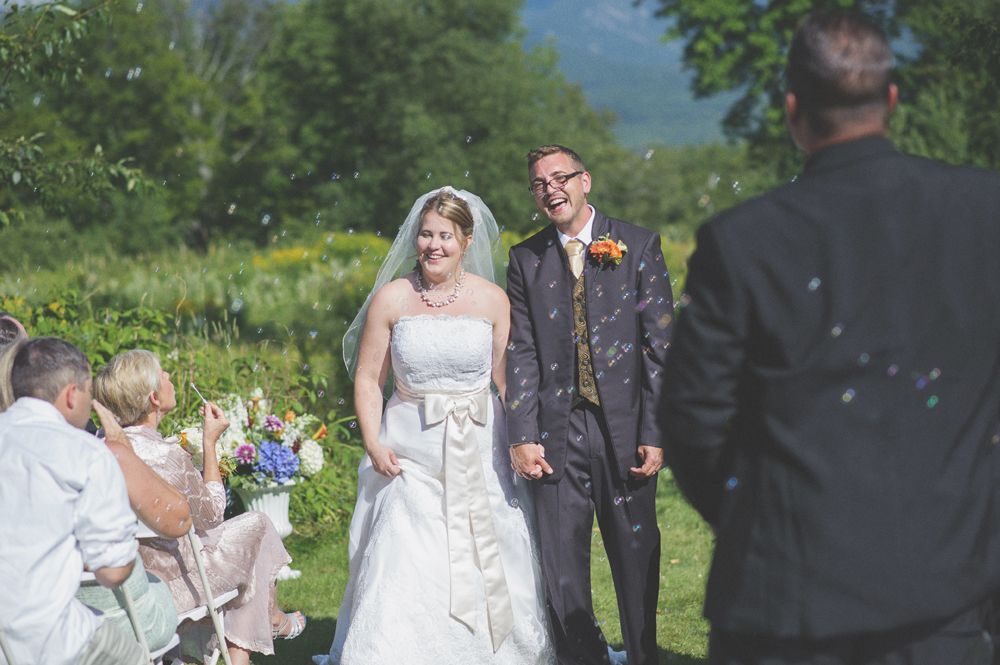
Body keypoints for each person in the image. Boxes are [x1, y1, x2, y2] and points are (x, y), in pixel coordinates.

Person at [661, 10, 1000, 665]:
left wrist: (763, 521)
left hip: (787, 607)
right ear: (892, 99)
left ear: (792, 109)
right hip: (947, 597)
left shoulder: (743, 240)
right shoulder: (984, 213)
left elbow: (693, 423)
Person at [313, 187, 554, 665]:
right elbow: (367, 377)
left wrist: (526, 438)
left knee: (488, 538)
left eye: (445, 235)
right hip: (408, 447)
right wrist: (372, 440)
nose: (433, 245)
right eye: (426, 234)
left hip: (481, 442)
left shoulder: (493, 300)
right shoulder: (391, 299)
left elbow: (508, 380)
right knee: (405, 546)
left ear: (466, 241)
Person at [506, 144, 674, 665]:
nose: (550, 188)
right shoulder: (525, 259)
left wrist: (656, 430)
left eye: (560, 177)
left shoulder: (638, 245)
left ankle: (645, 656)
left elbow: (660, 349)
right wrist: (522, 433)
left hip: (623, 429)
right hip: (556, 432)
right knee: (561, 565)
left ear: (586, 181)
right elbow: (522, 351)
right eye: (539, 183)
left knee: (635, 555)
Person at [95, 349, 304, 665]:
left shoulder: (100, 447)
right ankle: (258, 636)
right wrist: (210, 445)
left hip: (128, 583)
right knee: (257, 526)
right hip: (176, 586)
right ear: (154, 399)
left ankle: (256, 635)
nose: (170, 378)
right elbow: (212, 513)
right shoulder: (167, 457)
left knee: (240, 537)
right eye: (164, 374)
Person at [0, 337, 144, 665]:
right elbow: (112, 571)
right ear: (71, 394)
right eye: (89, 391)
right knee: (132, 657)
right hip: (48, 639)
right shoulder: (85, 453)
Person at [75, 399, 191, 653]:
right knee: (157, 581)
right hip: (110, 630)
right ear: (73, 394)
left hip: (18, 634)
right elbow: (180, 520)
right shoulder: (98, 455)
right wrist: (122, 449)